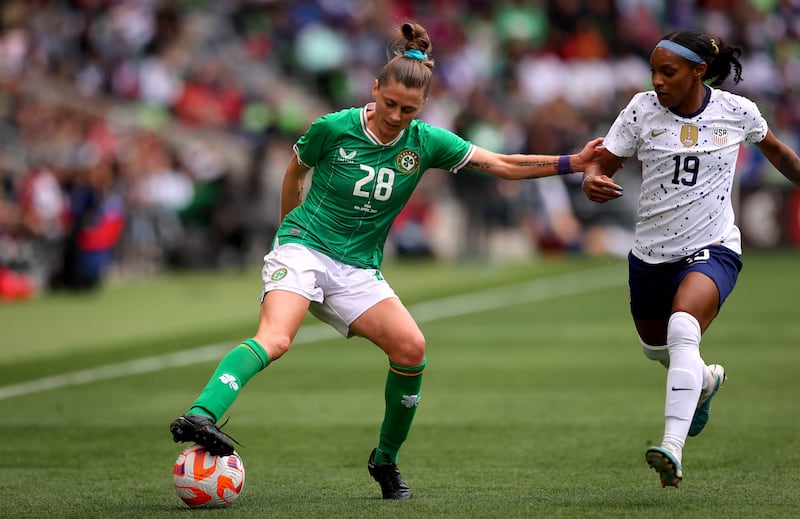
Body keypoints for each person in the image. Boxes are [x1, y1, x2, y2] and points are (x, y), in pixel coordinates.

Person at [169, 21, 603, 500]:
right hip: (305, 248)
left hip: (358, 268)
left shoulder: (426, 142)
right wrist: (288, 239)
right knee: (276, 339)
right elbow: (295, 173)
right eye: (389, 103)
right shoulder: (332, 128)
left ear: (423, 107)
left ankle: (385, 461)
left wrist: (572, 162)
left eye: (408, 109)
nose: (395, 116)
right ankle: (202, 414)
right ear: (374, 89)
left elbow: (501, 163)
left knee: (411, 349)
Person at [581, 30, 800, 488]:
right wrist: (592, 180)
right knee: (656, 349)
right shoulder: (641, 110)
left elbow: (778, 153)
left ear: (698, 71)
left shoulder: (738, 112)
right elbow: (604, 163)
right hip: (650, 256)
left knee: (684, 328)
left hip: (713, 247)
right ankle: (703, 381)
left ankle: (672, 447)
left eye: (668, 72)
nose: (658, 81)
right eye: (654, 72)